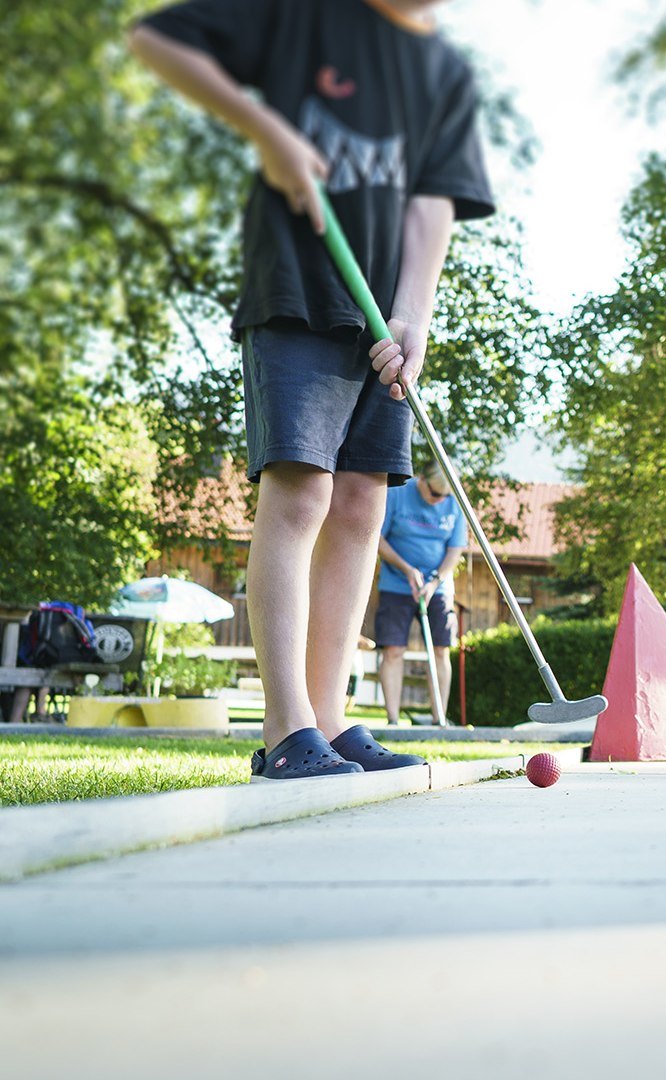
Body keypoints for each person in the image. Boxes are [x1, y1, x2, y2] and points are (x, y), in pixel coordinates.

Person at [130, 0, 493, 779]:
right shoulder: (304, 16)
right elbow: (156, 37)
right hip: (296, 290)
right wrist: (267, 131)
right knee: (301, 494)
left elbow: (435, 199)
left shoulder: (447, 73)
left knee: (363, 505)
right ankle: (285, 729)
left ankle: (330, 720)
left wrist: (414, 314)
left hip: (383, 320)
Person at [375, 459, 466, 724]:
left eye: (444, 496)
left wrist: (435, 581)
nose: (439, 500)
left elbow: (455, 549)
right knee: (393, 650)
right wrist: (406, 569)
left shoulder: (455, 501)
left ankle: (440, 718)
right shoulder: (398, 493)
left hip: (437, 588)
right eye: (435, 493)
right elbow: (377, 538)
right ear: (421, 480)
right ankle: (393, 720)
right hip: (396, 584)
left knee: (440, 650)